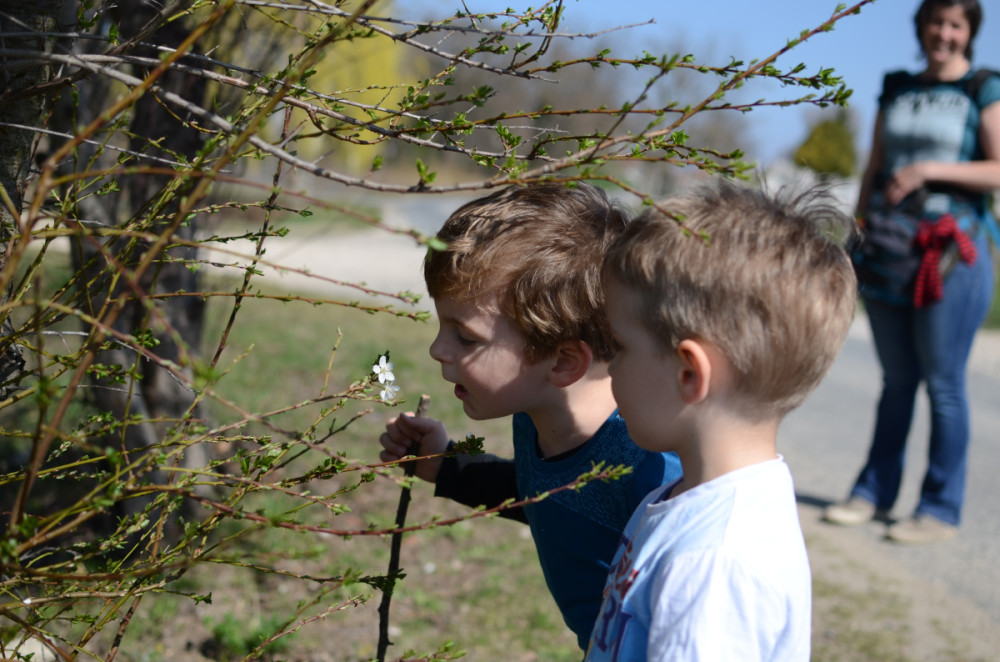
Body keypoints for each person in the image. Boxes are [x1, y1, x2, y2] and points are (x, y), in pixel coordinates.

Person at [378, 183, 683, 650]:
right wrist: (444, 464)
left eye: (466, 338)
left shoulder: (648, 467)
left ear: (562, 362)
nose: (438, 350)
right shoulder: (537, 414)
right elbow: (544, 495)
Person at [584, 180, 858, 661]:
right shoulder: (691, 499)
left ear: (690, 372)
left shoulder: (712, 564)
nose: (611, 367)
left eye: (621, 347)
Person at [823, 0, 1000, 544]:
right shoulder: (896, 84)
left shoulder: (982, 87)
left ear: (968, 32)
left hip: (954, 250)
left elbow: (997, 169)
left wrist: (927, 169)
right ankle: (872, 493)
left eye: (955, 24)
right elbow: (875, 164)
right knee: (896, 381)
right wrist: (856, 229)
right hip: (889, 245)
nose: (943, 33)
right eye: (936, 22)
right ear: (921, 27)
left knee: (944, 385)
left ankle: (938, 509)